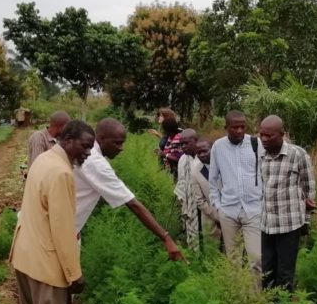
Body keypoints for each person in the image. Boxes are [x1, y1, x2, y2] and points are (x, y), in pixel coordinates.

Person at [10, 120, 95, 304]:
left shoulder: (43, 160)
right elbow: (63, 229)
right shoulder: (61, 173)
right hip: (46, 262)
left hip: (24, 254)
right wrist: (74, 274)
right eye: (84, 146)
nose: (87, 153)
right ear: (67, 139)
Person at [75, 118, 184, 262]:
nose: (121, 148)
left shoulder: (88, 153)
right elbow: (133, 204)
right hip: (61, 232)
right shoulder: (95, 163)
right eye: (117, 142)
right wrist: (166, 238)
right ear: (101, 138)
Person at [258, 115, 316, 291]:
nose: (264, 139)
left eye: (269, 135)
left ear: (282, 134)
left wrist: (306, 221)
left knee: (285, 272)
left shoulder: (298, 155)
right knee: (267, 270)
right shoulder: (261, 155)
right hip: (266, 224)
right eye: (262, 135)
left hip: (289, 224)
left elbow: (309, 189)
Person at [208, 110, 263, 277]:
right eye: (235, 127)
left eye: (242, 127)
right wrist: (218, 208)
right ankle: (237, 299)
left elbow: (265, 173)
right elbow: (213, 180)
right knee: (233, 260)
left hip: (253, 210)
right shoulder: (218, 146)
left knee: (256, 259)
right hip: (229, 211)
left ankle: (255, 300)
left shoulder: (256, 144)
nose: (239, 131)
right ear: (226, 127)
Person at [174, 129, 221, 251]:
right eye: (181, 144)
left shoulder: (216, 161)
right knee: (204, 240)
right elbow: (182, 183)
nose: (183, 147)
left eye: (186, 143)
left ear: (196, 141)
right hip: (198, 206)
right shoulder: (183, 161)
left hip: (217, 209)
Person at [156, 108, 183, 178]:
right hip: (167, 167)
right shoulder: (169, 134)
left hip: (174, 169)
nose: (159, 117)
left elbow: (178, 156)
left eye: (161, 116)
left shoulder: (176, 135)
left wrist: (165, 154)